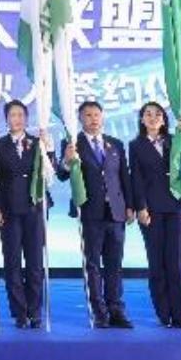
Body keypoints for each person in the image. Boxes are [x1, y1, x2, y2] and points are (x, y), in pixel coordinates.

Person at [61, 100, 131, 329]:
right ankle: (99, 312)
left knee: (114, 264)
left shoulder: (115, 144)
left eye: (96, 115)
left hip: (116, 212)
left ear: (102, 117)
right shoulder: (72, 143)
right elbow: (62, 174)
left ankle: (116, 310)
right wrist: (66, 161)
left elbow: (124, 177)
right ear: (80, 119)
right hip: (90, 211)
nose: (93, 119)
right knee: (92, 264)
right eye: (88, 115)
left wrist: (130, 205)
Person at [126, 101, 181, 329]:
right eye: (148, 114)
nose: (153, 118)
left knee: (176, 261)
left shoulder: (177, 140)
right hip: (151, 209)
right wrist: (141, 206)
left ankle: (180, 314)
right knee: (157, 262)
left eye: (158, 114)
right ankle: (163, 313)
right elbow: (136, 178)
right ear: (142, 119)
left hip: (176, 206)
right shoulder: (136, 145)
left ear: (164, 119)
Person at [0, 100, 47, 330]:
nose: (17, 119)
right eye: (13, 115)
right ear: (7, 119)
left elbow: (50, 172)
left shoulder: (38, 143)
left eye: (21, 115)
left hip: (34, 209)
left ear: (26, 118)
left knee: (35, 263)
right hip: (9, 210)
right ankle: (20, 312)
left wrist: (49, 150)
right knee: (12, 263)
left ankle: (35, 311)